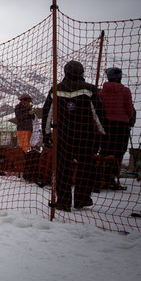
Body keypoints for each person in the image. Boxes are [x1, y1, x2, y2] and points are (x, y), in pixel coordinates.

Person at [42, 60, 105, 211]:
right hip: (85, 136)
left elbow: (47, 114)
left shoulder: (56, 89)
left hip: (63, 135)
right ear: (81, 73)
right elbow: (98, 114)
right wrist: (103, 135)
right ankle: (82, 199)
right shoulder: (90, 89)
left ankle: (63, 201)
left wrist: (46, 134)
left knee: (63, 169)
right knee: (85, 168)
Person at [99, 67, 136, 170]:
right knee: (119, 151)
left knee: (105, 150)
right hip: (121, 126)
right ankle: (113, 175)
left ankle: (103, 174)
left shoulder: (102, 92)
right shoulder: (125, 91)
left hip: (106, 125)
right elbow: (129, 110)